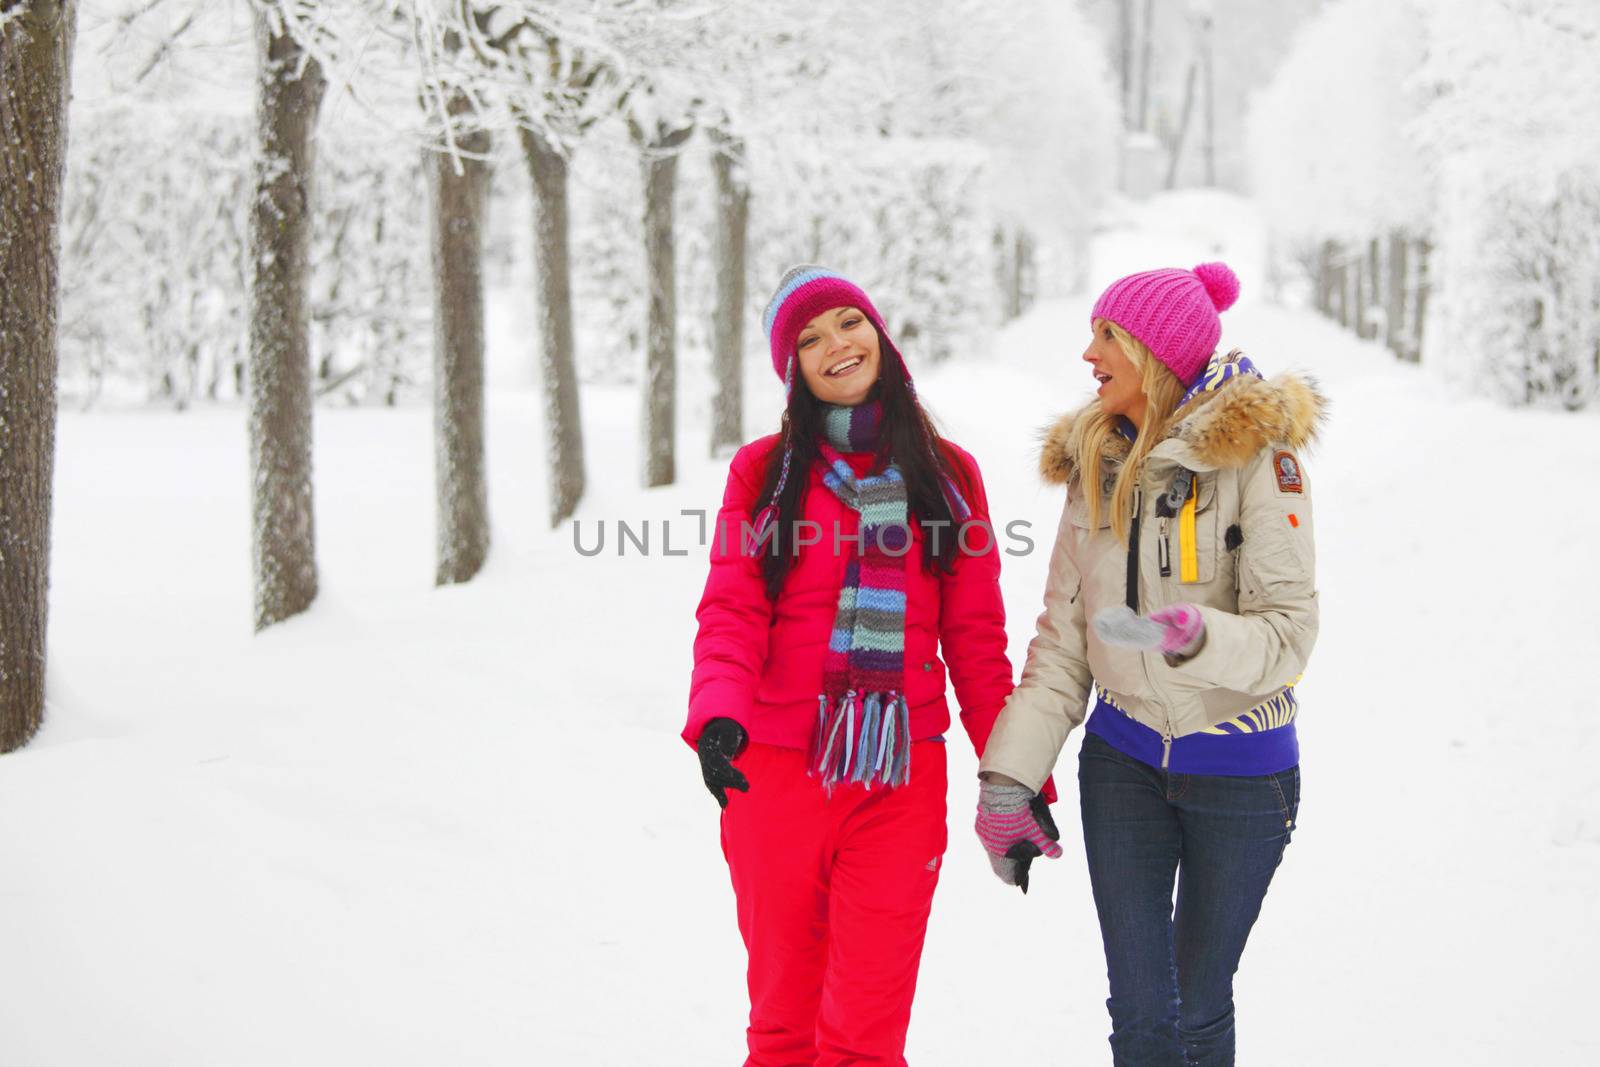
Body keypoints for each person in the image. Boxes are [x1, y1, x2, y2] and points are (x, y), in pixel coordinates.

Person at [686, 265, 1038, 1067]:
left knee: (865, 1038)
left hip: (899, 779)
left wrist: (1014, 777)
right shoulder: (766, 472)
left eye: (847, 322)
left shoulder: (947, 474)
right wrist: (719, 715)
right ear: (793, 370)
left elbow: (976, 639)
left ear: (878, 332)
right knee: (783, 1029)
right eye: (808, 339)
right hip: (774, 772)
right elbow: (733, 608)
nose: (834, 345)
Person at [973, 262, 1324, 1066]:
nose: (1087, 354)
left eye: (1106, 336)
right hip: (1124, 761)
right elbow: (1064, 639)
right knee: (1139, 1012)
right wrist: (1010, 778)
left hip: (1241, 771)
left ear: (1155, 351)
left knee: (1197, 1007)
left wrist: (1197, 636)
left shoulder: (1262, 461)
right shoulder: (1095, 462)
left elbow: (1289, 633)